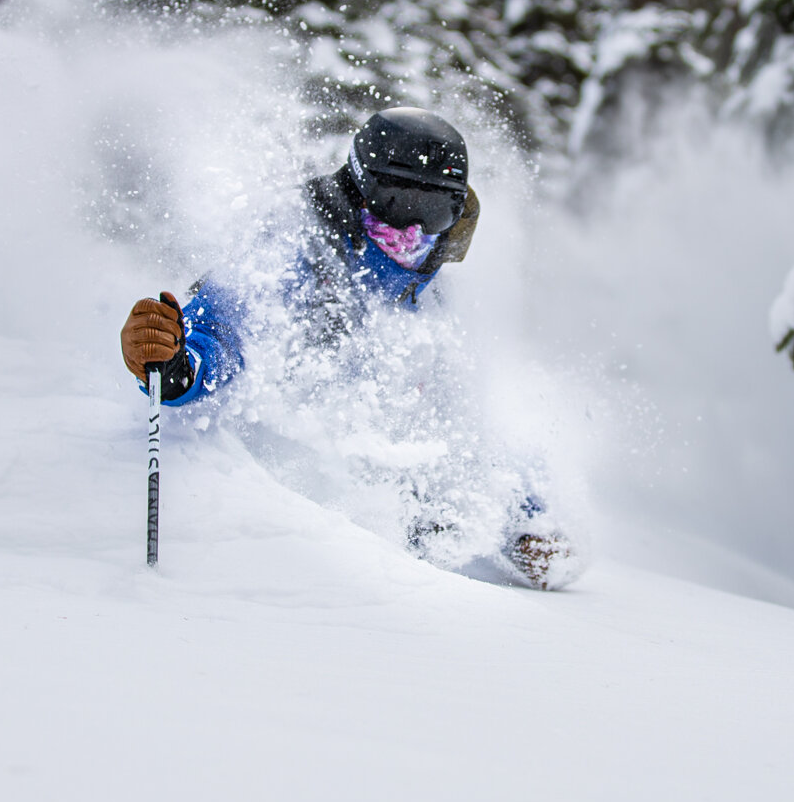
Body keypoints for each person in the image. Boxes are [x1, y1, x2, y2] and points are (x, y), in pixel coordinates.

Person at [120, 106, 575, 589]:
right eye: (397, 203)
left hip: (397, 500)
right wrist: (174, 367)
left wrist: (529, 518)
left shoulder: (434, 289)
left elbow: (473, 419)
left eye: (436, 210)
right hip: (296, 512)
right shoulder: (292, 244)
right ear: (361, 188)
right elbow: (220, 336)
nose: (414, 230)